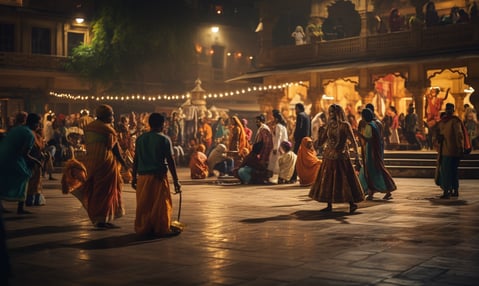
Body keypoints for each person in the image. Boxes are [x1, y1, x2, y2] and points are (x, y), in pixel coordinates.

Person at [64, 104, 126, 228]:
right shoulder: (108, 130)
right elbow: (115, 150)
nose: (113, 117)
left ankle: (100, 218)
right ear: (105, 116)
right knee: (105, 192)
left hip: (91, 162)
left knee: (96, 191)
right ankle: (101, 220)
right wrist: (124, 163)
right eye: (111, 115)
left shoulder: (89, 128)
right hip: (105, 164)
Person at [131, 113, 181, 237]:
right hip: (158, 177)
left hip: (142, 178)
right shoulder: (164, 139)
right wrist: (176, 181)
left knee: (145, 205)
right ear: (162, 124)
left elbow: (136, 159)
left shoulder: (140, 139)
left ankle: (145, 227)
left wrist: (133, 177)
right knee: (160, 205)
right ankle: (161, 228)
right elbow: (170, 161)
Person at [309, 104, 364, 213]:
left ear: (338, 113)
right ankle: (329, 204)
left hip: (341, 156)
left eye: (333, 112)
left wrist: (357, 157)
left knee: (344, 180)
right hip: (329, 156)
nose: (331, 114)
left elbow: (353, 141)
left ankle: (351, 203)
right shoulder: (328, 126)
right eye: (330, 112)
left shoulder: (345, 125)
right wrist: (319, 133)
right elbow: (320, 142)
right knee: (328, 180)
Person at [0, 113, 42, 214]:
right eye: (38, 124)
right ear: (35, 124)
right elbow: (25, 154)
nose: (39, 126)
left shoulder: (17, 129)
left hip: (3, 156)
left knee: (4, 180)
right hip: (13, 158)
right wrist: (37, 161)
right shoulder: (29, 134)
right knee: (24, 175)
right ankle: (20, 208)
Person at [358, 108, 397, 200]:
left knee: (373, 170)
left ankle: (382, 190)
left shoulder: (370, 126)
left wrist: (358, 134)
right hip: (374, 151)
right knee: (373, 170)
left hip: (372, 152)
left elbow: (368, 139)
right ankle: (372, 191)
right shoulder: (375, 124)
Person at [435, 103, 469, 198]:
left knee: (448, 171)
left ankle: (448, 191)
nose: (448, 111)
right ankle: (453, 190)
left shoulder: (453, 121)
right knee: (451, 171)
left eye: (450, 109)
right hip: (447, 150)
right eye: (448, 109)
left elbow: (459, 135)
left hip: (451, 151)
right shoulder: (445, 121)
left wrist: (460, 148)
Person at [291, 103, 311, 182]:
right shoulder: (307, 116)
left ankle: (293, 177)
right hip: (306, 140)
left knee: (296, 158)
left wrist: (295, 137)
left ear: (298, 109)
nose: (295, 111)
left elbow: (298, 128)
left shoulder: (300, 115)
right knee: (305, 158)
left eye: (296, 109)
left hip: (300, 140)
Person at [268, 111, 289, 177]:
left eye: (273, 118)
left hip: (278, 148)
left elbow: (278, 137)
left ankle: (273, 178)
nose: (272, 120)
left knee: (275, 163)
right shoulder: (283, 126)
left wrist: (275, 148)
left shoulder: (278, 126)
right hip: (283, 147)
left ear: (276, 119)